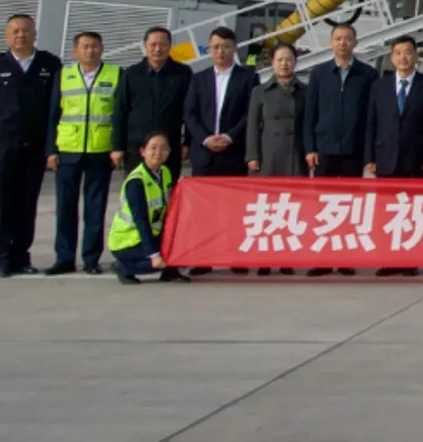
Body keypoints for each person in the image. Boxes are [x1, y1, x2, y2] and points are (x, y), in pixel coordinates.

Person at [0, 13, 59, 278]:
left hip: (34, 147)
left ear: (35, 34)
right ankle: (1, 258)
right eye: (15, 31)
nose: (20, 35)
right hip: (3, 147)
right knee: (1, 204)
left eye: (25, 30)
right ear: (7, 36)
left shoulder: (49, 65)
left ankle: (21, 256)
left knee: (27, 204)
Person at [300, 22, 378, 278]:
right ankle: (322, 259)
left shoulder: (367, 74)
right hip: (324, 150)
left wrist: (369, 155)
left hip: (353, 151)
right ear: (330, 43)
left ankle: (345, 258)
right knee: (323, 206)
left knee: (349, 206)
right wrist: (310, 147)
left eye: (347, 39)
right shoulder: (320, 73)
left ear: (355, 43)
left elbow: (371, 118)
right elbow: (310, 113)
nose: (342, 43)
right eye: (337, 39)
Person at [182, 27, 258, 276]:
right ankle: (204, 258)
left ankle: (235, 256)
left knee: (234, 208)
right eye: (215, 47)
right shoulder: (198, 78)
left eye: (225, 46)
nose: (220, 51)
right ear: (209, 49)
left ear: (234, 49)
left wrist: (228, 136)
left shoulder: (248, 77)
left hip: (233, 151)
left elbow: (251, 113)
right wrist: (205, 139)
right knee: (204, 210)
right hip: (204, 153)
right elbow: (190, 114)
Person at [44, 30, 120, 276]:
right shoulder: (63, 76)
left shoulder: (116, 74)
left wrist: (116, 147)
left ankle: (91, 259)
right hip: (68, 150)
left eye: (95, 46)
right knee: (66, 207)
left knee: (95, 209)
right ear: (74, 51)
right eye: (85, 47)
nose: (90, 51)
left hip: (100, 150)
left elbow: (119, 115)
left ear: (102, 49)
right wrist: (50, 151)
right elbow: (53, 115)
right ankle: (64, 258)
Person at [367, 36, 423, 277]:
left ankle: (410, 260)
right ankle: (388, 260)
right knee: (387, 212)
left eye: (408, 52)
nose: (403, 57)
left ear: (416, 56)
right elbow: (371, 123)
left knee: (414, 212)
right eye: (398, 53)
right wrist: (369, 156)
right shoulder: (379, 86)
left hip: (417, 160)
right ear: (391, 58)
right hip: (386, 159)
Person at [245, 45, 307, 274]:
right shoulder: (260, 92)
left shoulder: (305, 91)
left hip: (295, 156)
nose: (284, 64)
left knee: (290, 209)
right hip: (268, 156)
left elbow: (308, 126)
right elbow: (252, 126)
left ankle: (286, 258)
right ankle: (265, 258)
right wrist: (252, 155)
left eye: (289, 59)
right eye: (280, 59)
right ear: (272, 62)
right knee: (267, 209)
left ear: (295, 62)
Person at [107, 132, 189, 285]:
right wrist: (154, 254)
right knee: (162, 261)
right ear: (143, 151)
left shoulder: (165, 172)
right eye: (153, 148)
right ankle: (123, 267)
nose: (158, 152)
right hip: (128, 240)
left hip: (152, 233)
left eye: (164, 148)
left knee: (179, 253)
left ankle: (169, 272)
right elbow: (141, 221)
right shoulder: (136, 181)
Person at [110, 26, 189, 180]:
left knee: (168, 192)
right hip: (136, 147)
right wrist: (117, 146)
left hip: (169, 147)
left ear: (170, 46)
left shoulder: (183, 74)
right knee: (137, 192)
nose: (157, 49)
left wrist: (187, 143)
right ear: (145, 46)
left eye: (163, 44)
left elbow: (190, 111)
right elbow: (120, 111)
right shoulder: (131, 74)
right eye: (153, 45)